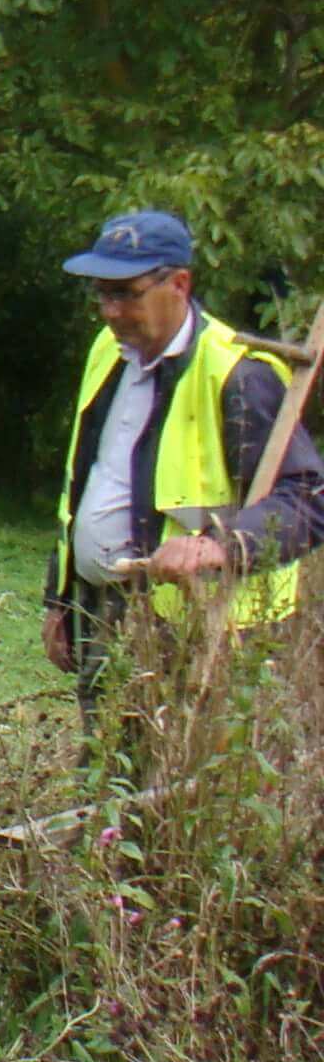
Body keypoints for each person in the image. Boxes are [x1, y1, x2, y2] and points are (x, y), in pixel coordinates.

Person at [44, 209, 321, 703]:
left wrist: (218, 546)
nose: (109, 311)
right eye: (101, 293)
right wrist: (60, 599)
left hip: (202, 629)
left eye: (125, 293)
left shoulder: (238, 374)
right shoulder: (108, 352)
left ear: (179, 283)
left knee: (183, 779)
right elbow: (84, 484)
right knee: (106, 775)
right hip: (101, 609)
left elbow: (306, 498)